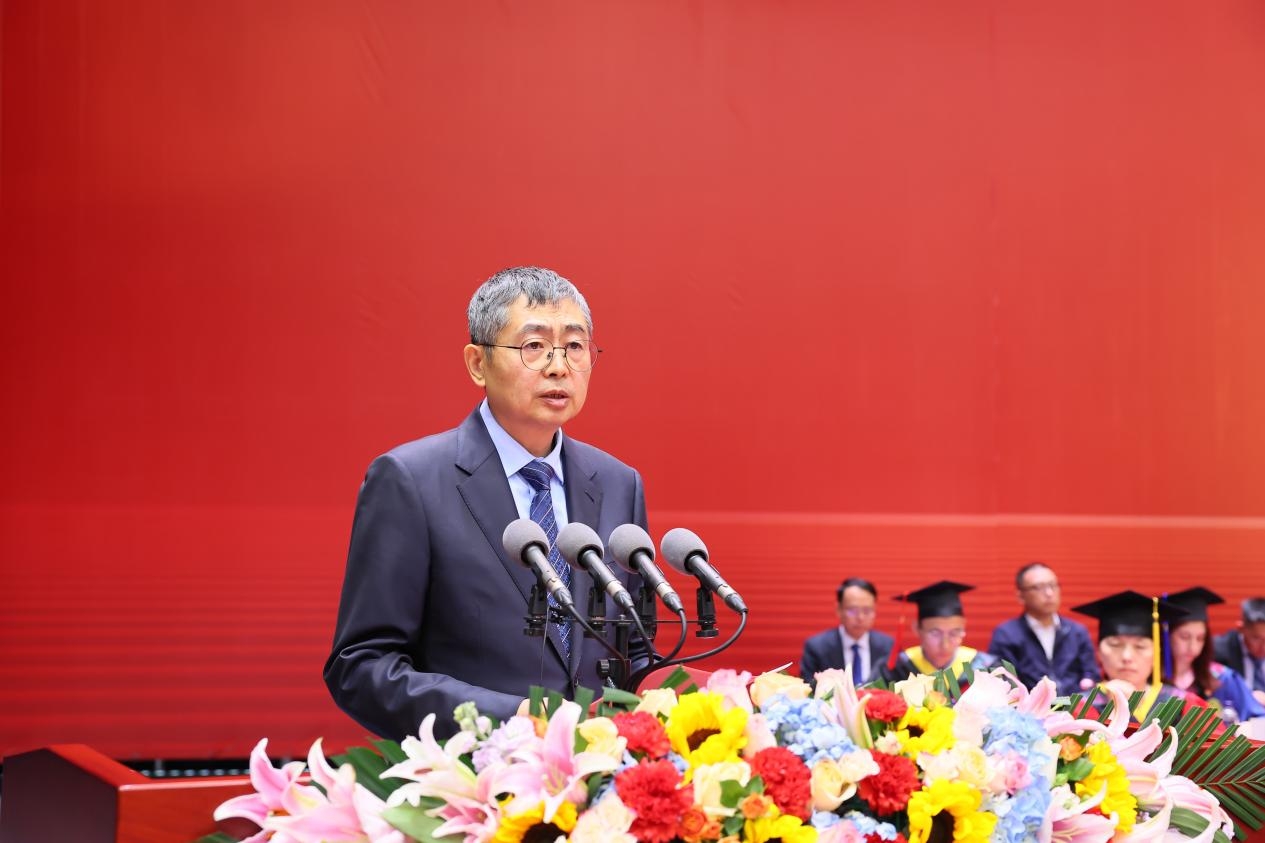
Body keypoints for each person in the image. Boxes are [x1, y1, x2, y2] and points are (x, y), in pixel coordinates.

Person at [323, 267, 650, 740]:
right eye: (534, 346)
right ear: (478, 363)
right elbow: (361, 666)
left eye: (575, 346)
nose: (558, 366)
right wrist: (508, 718)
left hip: (599, 772)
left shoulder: (619, 483)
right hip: (475, 771)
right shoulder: (411, 480)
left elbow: (633, 651)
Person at [1071, 590, 1204, 722]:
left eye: (1140, 646)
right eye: (1115, 644)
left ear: (1156, 653)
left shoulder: (1184, 705)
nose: (1127, 656)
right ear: (1099, 652)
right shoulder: (1077, 708)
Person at [987, 562, 1100, 695]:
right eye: (1038, 587)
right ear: (1020, 596)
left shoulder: (1077, 632)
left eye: (1053, 585)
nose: (1049, 593)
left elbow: (1091, 674)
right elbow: (1003, 680)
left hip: (1075, 705)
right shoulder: (1006, 634)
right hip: (1028, 706)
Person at [1167, 587, 1265, 722]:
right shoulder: (1148, 679)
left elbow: (1258, 718)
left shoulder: (1222, 678)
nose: (1193, 647)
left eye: (1200, 638)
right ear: (1166, 635)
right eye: (1184, 637)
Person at [877, 581, 998, 683]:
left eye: (954, 633)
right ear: (917, 628)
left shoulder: (984, 668)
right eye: (935, 633)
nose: (945, 645)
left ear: (964, 627)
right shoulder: (898, 668)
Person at [800, 577, 894, 686]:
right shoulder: (817, 648)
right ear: (838, 610)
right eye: (853, 611)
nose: (860, 617)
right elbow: (808, 689)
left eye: (867, 610)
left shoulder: (889, 646)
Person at [1213, 597, 1265, 708]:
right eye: (1256, 638)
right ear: (1241, 629)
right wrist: (1248, 697)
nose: (1263, 647)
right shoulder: (1218, 653)